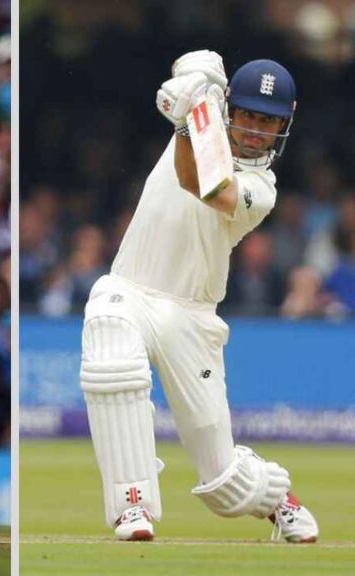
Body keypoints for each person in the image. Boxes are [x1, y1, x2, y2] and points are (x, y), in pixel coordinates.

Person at [80, 51, 318, 543]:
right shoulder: (206, 113)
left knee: (224, 485)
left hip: (192, 316)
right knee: (109, 342)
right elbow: (193, 63)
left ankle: (277, 498)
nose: (255, 130)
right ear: (233, 110)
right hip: (130, 287)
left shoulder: (262, 188)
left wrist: (192, 119)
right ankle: (132, 505)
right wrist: (197, 79)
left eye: (268, 121)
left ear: (284, 127)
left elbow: (202, 183)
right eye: (249, 115)